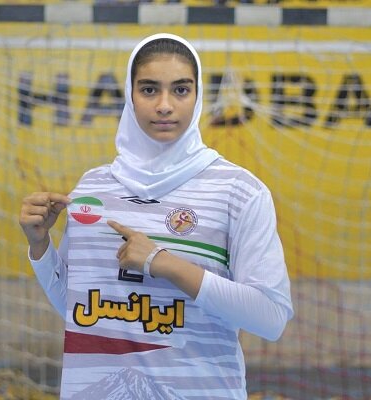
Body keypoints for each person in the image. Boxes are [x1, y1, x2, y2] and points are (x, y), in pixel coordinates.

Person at [19, 33, 293, 399]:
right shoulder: (93, 188)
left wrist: (165, 264)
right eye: (149, 90)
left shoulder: (239, 192)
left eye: (180, 90)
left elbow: (271, 318)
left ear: (198, 96)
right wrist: (40, 247)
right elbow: (79, 310)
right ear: (130, 96)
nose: (165, 105)